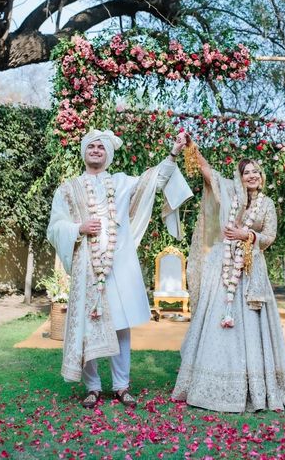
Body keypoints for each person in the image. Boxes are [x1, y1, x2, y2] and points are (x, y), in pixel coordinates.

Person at [47, 129, 192, 409]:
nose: (97, 150)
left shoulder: (122, 183)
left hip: (117, 266)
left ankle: (122, 386)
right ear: (84, 152)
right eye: (92, 146)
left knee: (121, 327)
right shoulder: (68, 189)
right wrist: (79, 228)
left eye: (101, 147)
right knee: (88, 325)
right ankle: (92, 387)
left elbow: (155, 181)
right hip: (86, 269)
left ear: (108, 154)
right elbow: (54, 227)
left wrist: (173, 152)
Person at [172, 141, 285, 412]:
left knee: (251, 325)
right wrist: (193, 148)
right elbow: (209, 174)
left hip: (251, 269)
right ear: (240, 178)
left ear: (261, 176)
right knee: (217, 321)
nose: (252, 176)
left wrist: (248, 235)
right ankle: (211, 383)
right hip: (223, 267)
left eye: (256, 172)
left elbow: (269, 237)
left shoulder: (267, 206)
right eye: (246, 172)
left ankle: (253, 386)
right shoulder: (231, 194)